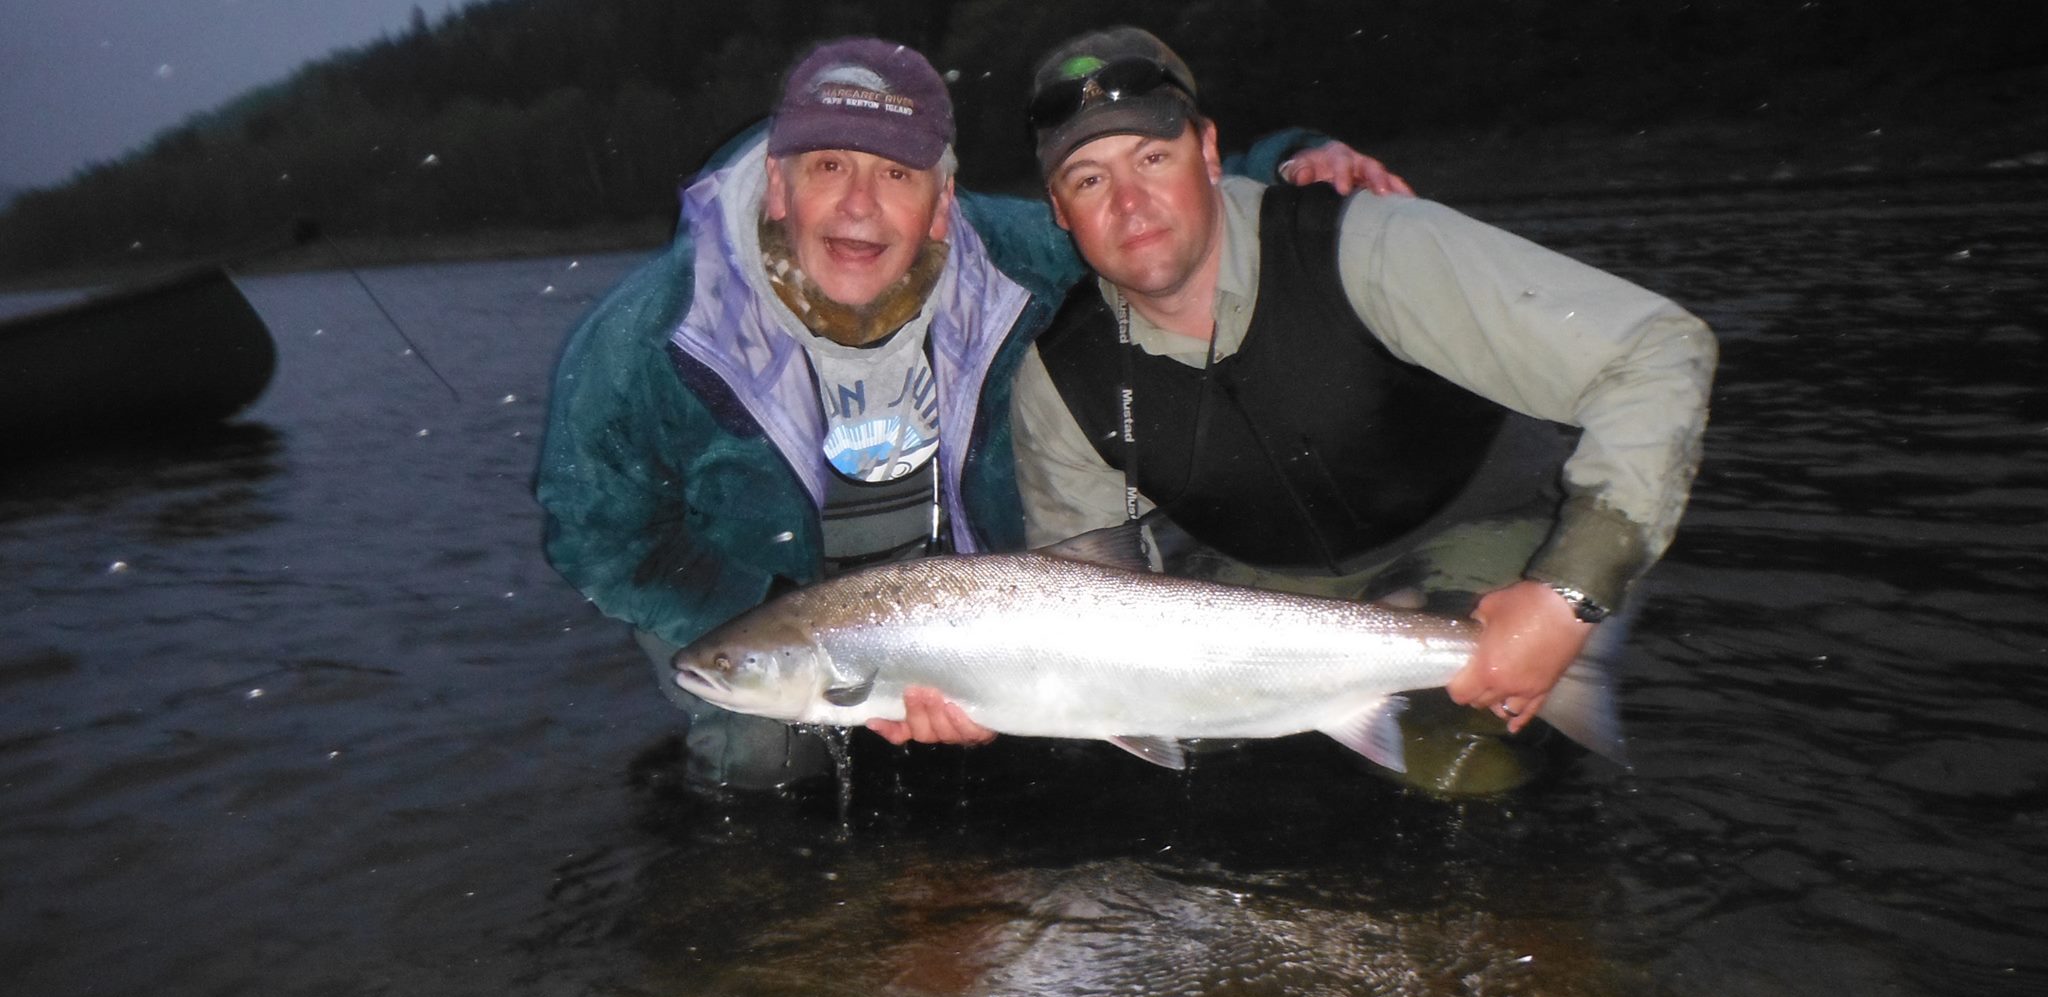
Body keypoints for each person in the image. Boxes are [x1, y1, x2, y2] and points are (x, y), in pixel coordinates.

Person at [533, 36, 1408, 793]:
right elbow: (596, 536)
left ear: (943, 203)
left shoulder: (1019, 260)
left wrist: (1296, 162)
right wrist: (759, 610)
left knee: (1066, 756)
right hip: (764, 605)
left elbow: (1149, 211)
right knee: (761, 762)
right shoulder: (645, 341)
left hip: (983, 608)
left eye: (896, 174)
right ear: (777, 186)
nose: (860, 206)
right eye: (829, 167)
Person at [1008, 27, 1718, 792]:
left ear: (1209, 152)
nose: (1129, 203)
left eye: (1153, 158)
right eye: (1088, 179)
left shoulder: (1364, 245)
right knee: (1174, 768)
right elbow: (1080, 603)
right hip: (1273, 582)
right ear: (1058, 210)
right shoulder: (1059, 382)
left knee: (1463, 760)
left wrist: (1566, 595)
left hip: (1484, 528)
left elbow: (1654, 350)